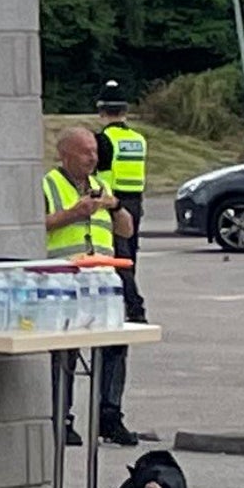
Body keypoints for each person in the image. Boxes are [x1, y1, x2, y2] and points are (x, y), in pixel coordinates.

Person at [42, 122, 141, 450]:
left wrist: (114, 206)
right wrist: (73, 213)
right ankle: (61, 417)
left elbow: (125, 231)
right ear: (65, 153)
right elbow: (34, 225)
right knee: (65, 352)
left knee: (115, 346)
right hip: (65, 281)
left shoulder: (100, 185)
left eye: (95, 152)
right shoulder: (48, 184)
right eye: (85, 152)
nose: (92, 158)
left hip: (104, 282)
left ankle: (109, 415)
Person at [97, 81, 153, 350]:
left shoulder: (104, 140)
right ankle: (129, 303)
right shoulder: (138, 139)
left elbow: (102, 179)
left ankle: (134, 306)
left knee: (119, 257)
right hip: (136, 202)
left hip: (116, 203)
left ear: (102, 111)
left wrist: (104, 204)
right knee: (130, 255)